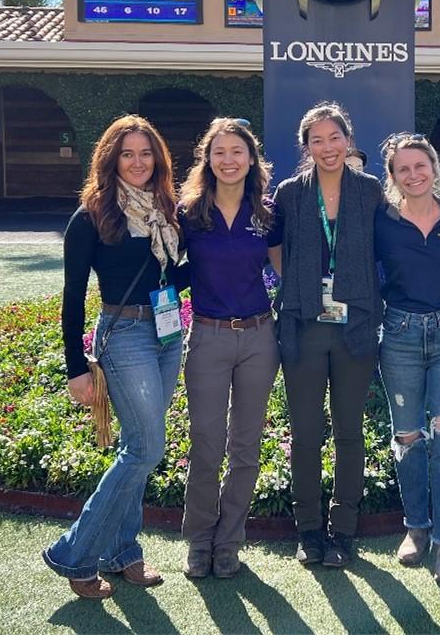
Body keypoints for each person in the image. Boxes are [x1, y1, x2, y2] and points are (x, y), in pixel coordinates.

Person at [43, 115, 185, 599]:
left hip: (168, 333)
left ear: (158, 159)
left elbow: (164, 281)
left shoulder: (166, 210)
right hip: (123, 335)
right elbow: (71, 297)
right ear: (111, 159)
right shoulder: (91, 216)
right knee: (145, 450)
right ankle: (75, 553)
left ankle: (123, 552)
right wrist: (76, 368)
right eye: (128, 153)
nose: (138, 162)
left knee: (137, 449)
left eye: (146, 153)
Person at [273, 102, 383, 569]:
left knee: (349, 431)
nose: (326, 147)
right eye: (316, 140)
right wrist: (298, 289)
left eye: (334, 137)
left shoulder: (370, 191)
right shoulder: (291, 193)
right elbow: (276, 247)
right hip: (304, 326)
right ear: (306, 147)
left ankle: (344, 529)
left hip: (355, 327)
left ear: (348, 139)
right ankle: (309, 530)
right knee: (305, 432)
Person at [177, 118, 283, 580]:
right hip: (208, 336)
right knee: (206, 442)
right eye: (219, 152)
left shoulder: (267, 213)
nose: (228, 160)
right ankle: (200, 541)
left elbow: (282, 271)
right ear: (207, 159)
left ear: (251, 158)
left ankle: (229, 542)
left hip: (260, 337)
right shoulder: (189, 213)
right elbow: (164, 267)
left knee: (246, 445)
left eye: (237, 151)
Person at [375, 134, 440, 584]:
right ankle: (417, 528)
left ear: (435, 167)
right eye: (403, 169)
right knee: (409, 438)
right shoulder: (383, 220)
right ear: (392, 177)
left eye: (421, 165)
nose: (414, 175)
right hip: (399, 335)